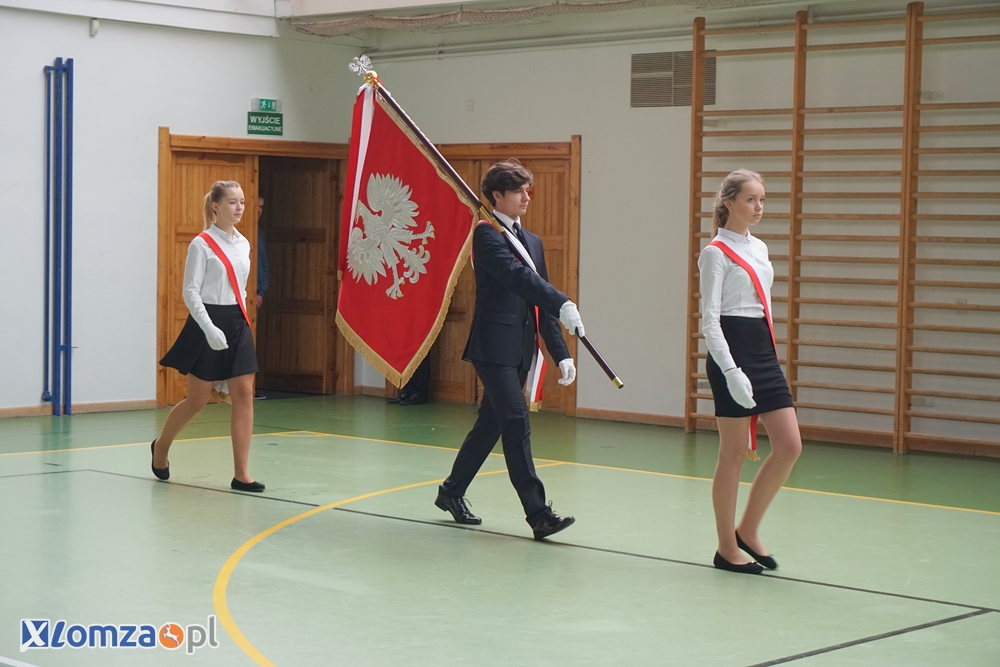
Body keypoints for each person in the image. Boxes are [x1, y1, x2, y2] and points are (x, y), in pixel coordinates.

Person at [435, 159, 584, 540]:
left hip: (521, 350)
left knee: (490, 425)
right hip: (492, 347)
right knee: (516, 419)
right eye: (518, 191)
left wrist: (561, 353)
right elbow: (517, 278)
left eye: (527, 190)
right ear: (497, 195)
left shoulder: (532, 241)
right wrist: (563, 300)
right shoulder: (486, 235)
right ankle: (539, 514)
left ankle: (451, 491)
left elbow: (539, 303)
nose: (526, 197)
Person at [699, 168, 802, 573]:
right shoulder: (715, 253)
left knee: (789, 445)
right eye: (750, 199)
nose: (759, 207)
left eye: (762, 200)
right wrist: (730, 370)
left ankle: (748, 530)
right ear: (729, 203)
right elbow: (710, 321)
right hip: (731, 352)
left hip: (761, 351)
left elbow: (763, 306)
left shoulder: (759, 248)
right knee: (733, 453)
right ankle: (726, 547)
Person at [152, 180, 265, 493]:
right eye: (232, 202)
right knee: (197, 400)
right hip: (207, 323)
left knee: (244, 394)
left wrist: (237, 323)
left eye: (242, 202)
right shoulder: (201, 244)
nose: (239, 207)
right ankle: (161, 447)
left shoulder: (244, 243)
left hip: (237, 322)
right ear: (216, 206)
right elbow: (190, 291)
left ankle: (241, 474)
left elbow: (240, 287)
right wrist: (209, 327)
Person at [254, 194, 269, 400]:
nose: (259, 210)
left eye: (262, 207)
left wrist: (261, 292)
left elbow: (263, 265)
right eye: (256, 206)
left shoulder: (260, 234)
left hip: (255, 296)